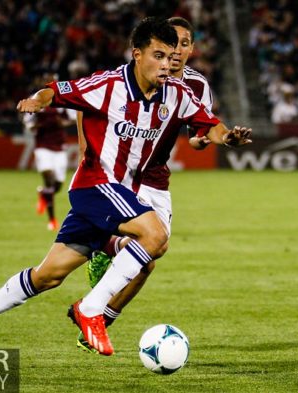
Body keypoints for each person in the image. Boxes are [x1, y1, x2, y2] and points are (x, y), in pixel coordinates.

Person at [0, 17, 252, 359]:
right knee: (155, 236)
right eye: (158, 55)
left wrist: (226, 137)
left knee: (48, 275)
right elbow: (57, 90)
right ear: (137, 54)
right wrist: (39, 99)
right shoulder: (107, 85)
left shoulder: (178, 95)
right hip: (95, 185)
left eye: (170, 57)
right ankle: (91, 308)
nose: (167, 64)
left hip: (124, 193)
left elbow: (207, 124)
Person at [76, 16, 216, 353]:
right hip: (117, 175)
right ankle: (97, 313)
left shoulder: (196, 87)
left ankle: (104, 281)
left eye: (184, 44)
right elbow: (83, 103)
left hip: (155, 179)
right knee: (153, 248)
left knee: (152, 256)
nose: (177, 51)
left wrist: (203, 141)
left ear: (192, 49)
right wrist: (85, 148)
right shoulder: (128, 78)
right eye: (172, 44)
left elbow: (200, 134)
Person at [22, 74, 75, 231]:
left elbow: (72, 118)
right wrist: (36, 127)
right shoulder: (35, 100)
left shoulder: (63, 100)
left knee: (57, 186)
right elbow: (28, 123)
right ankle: (52, 220)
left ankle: (43, 193)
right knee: (50, 180)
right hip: (43, 146)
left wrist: (62, 122)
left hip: (59, 147)